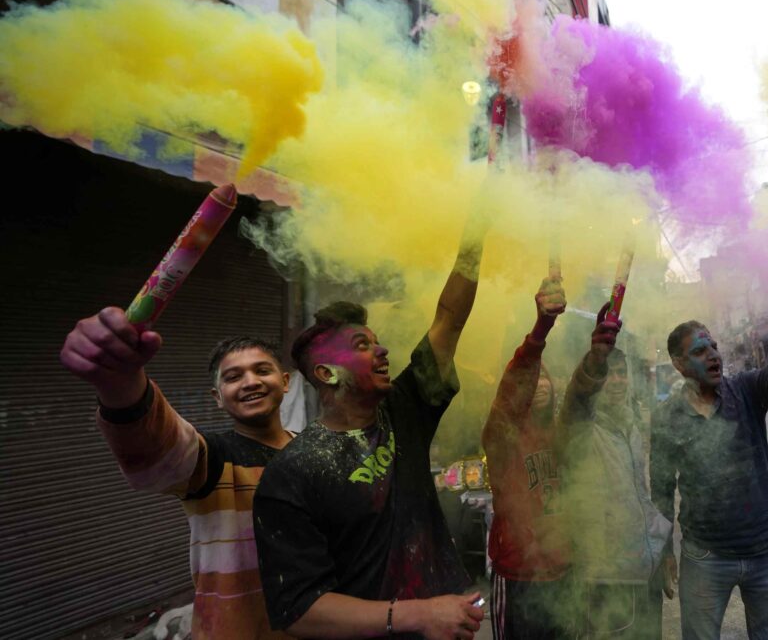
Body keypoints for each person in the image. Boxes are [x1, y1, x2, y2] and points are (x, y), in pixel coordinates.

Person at [252, 224, 487, 640]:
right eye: (362, 345)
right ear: (326, 373)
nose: (382, 351)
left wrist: (477, 230)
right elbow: (300, 610)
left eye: (376, 342)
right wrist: (420, 614)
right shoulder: (292, 473)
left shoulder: (403, 411)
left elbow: (449, 320)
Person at [60, 311, 295, 639]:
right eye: (233, 377)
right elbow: (159, 445)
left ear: (285, 382)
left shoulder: (312, 449)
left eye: (262, 370)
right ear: (217, 399)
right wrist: (121, 383)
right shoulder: (211, 458)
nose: (251, 382)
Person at [651, 279, 768, 640]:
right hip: (705, 557)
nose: (713, 355)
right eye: (699, 351)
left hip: (767, 552)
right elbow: (660, 487)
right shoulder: (666, 418)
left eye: (714, 346)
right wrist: (664, 552)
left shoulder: (747, 390)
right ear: (678, 363)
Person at [558, 304, 671, 638]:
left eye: (622, 372)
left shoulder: (631, 427)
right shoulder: (584, 431)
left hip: (644, 573)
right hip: (609, 581)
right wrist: (594, 361)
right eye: (609, 373)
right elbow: (576, 405)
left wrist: (663, 552)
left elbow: (642, 498)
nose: (617, 380)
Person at [482, 276, 570, 640]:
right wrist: (541, 327)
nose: (541, 385)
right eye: (535, 381)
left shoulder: (559, 436)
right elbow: (515, 383)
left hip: (562, 569)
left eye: (545, 379)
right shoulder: (502, 435)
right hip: (518, 572)